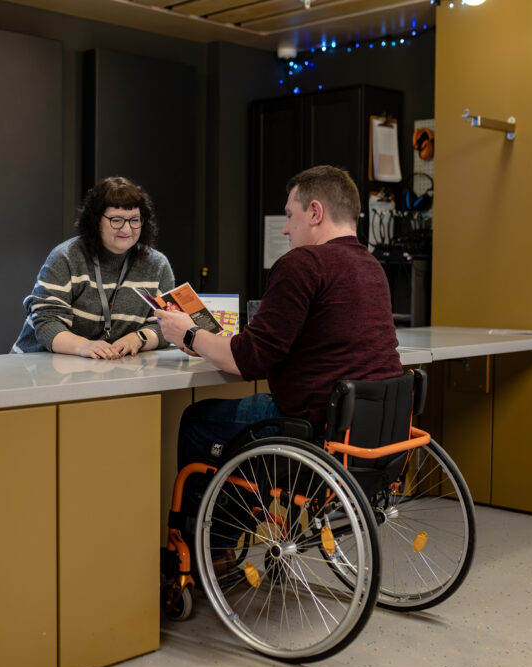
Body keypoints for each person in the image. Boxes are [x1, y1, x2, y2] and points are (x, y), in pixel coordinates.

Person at [156, 165, 403, 469]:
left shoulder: (303, 263)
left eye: (289, 215)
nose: (285, 228)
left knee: (197, 419)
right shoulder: (372, 266)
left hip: (311, 426)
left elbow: (249, 359)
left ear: (315, 212)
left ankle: (205, 518)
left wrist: (189, 333)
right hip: (370, 429)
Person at [11, 176, 176, 358]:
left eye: (134, 220)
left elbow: (166, 325)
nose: (127, 229)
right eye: (116, 220)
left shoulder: (157, 265)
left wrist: (138, 338)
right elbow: (47, 321)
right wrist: (84, 346)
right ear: (96, 222)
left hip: (105, 368)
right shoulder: (66, 257)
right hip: (38, 365)